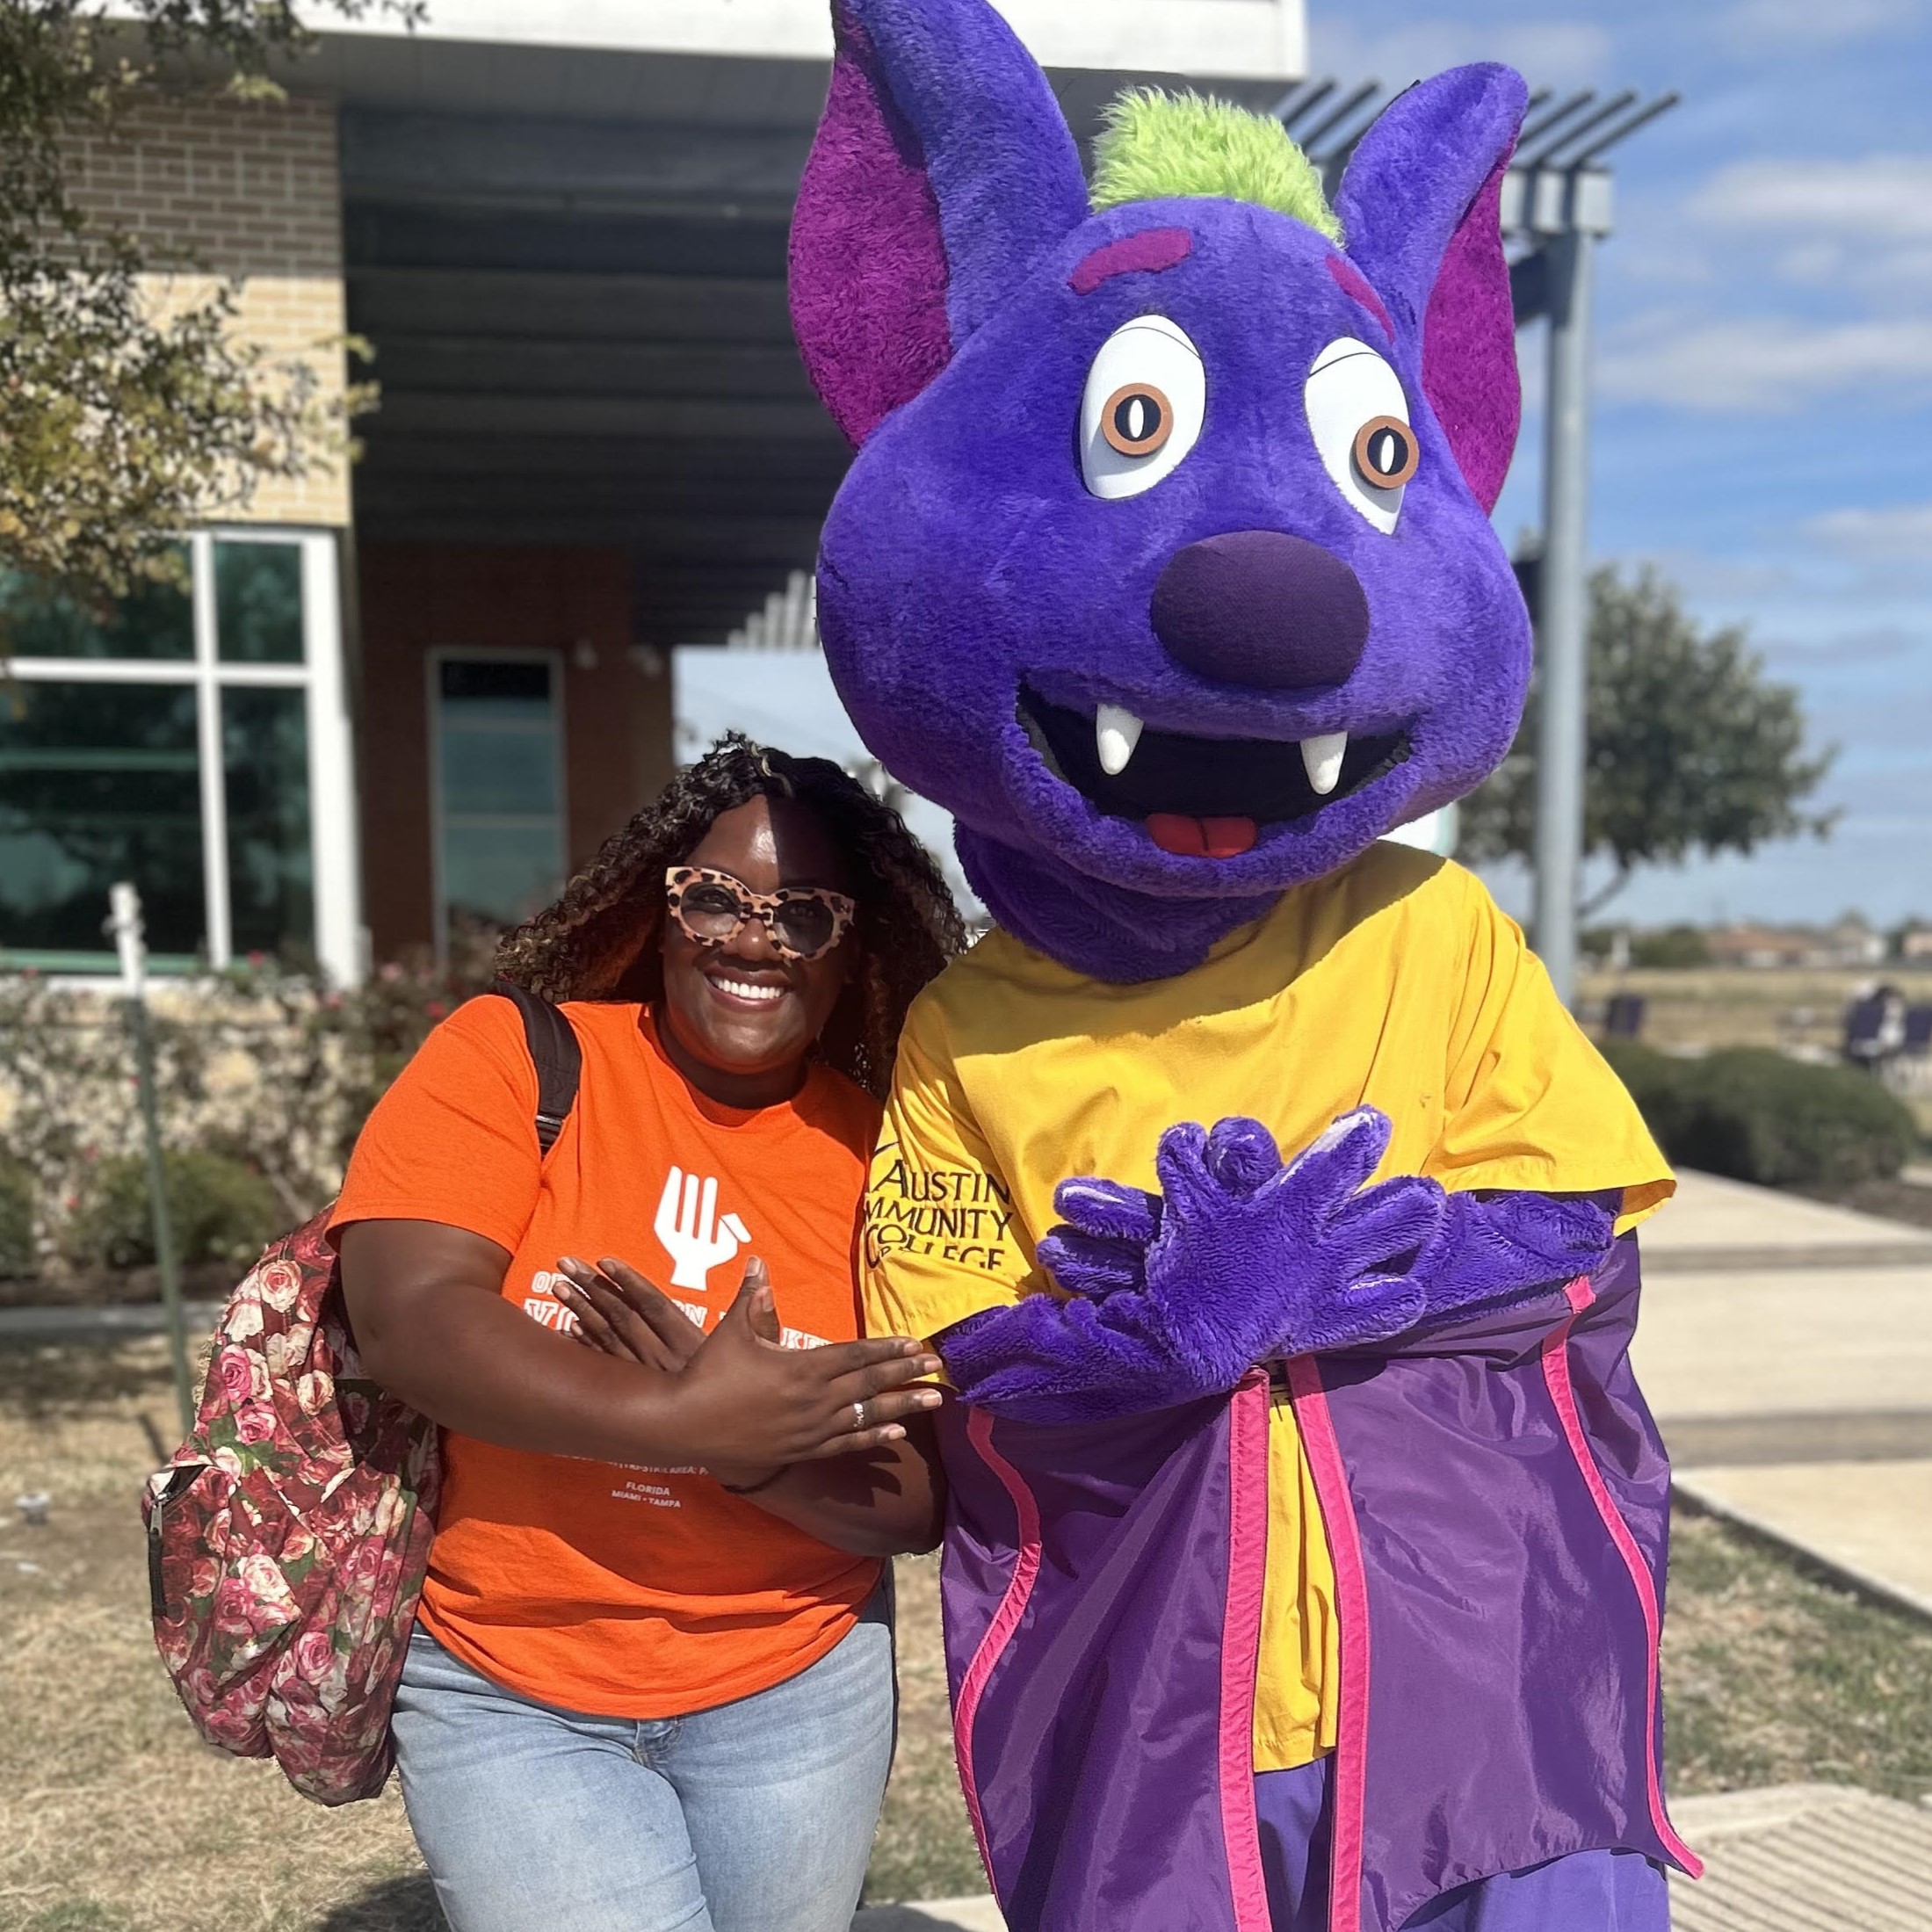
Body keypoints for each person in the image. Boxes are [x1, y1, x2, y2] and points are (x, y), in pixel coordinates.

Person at [334, 735, 966, 1932]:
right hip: (509, 1683)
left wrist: (748, 1449)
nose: (749, 936)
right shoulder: (514, 1058)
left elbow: (922, 1497)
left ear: (854, 955)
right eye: (714, 896)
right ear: (660, 909)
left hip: (796, 1688)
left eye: (804, 917)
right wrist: (684, 1414)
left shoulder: (889, 1158)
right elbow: (414, 1320)